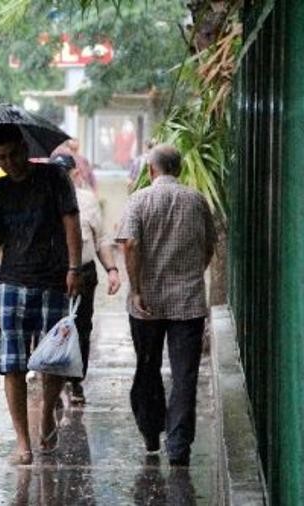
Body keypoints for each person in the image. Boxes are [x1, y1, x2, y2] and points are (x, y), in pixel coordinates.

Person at [0, 124, 82, 465]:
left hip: (53, 279)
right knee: (13, 366)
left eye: (14, 154)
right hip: (12, 282)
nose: (10, 163)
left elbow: (71, 221)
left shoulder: (53, 176)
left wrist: (74, 268)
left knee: (54, 360)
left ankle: (48, 411)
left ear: (25, 148)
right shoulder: (0, 189)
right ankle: (23, 442)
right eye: (2, 158)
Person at [115, 144, 217, 467]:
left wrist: (136, 290)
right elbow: (209, 244)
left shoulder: (139, 200)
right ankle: (178, 446)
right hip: (188, 303)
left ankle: (150, 431)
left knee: (148, 367)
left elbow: (129, 244)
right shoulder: (197, 201)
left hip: (147, 304)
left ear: (151, 170)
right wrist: (192, 273)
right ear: (180, 170)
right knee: (185, 375)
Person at [51, 154, 121, 405]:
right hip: (52, 274)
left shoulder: (87, 200)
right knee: (52, 328)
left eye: (65, 172)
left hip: (84, 271)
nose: (61, 176)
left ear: (75, 173)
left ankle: (76, 381)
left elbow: (101, 238)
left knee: (81, 328)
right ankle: (53, 384)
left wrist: (112, 269)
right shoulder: (44, 199)